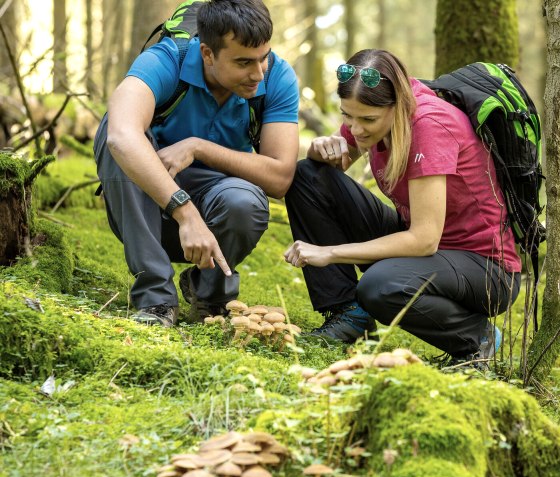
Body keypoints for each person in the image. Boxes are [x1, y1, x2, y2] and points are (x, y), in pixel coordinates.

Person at [283, 49, 520, 364]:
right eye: (346, 116)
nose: (355, 130)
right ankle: (348, 316)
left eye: (367, 120)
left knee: (379, 286)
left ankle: (478, 338)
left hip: (486, 269)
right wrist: (318, 150)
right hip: (430, 251)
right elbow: (329, 173)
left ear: (399, 106)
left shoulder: (430, 126)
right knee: (306, 175)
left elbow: (424, 240)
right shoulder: (368, 114)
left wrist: (330, 253)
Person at [93, 0, 299, 327]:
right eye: (244, 62)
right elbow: (120, 135)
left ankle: (210, 295)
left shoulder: (276, 76)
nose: (258, 74)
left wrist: (198, 147)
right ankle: (156, 300)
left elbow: (280, 177)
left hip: (217, 207)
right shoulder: (166, 60)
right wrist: (184, 211)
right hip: (146, 211)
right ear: (207, 54)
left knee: (245, 203)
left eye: (263, 58)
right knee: (112, 131)